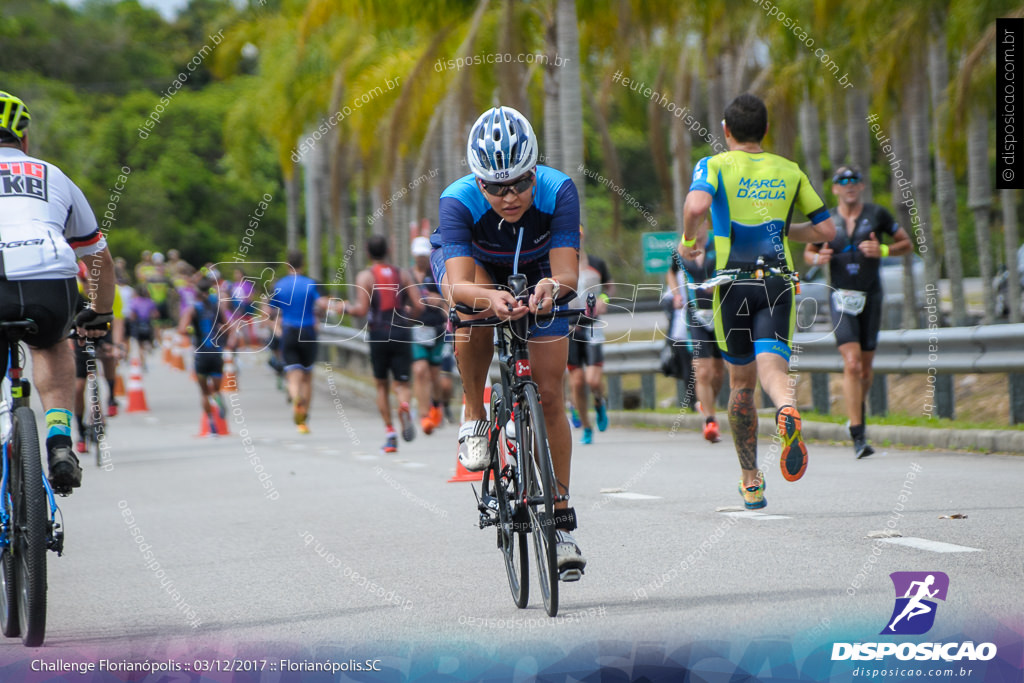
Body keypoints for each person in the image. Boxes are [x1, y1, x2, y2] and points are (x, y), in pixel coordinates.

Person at [430, 105, 585, 576]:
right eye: (496, 187)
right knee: (474, 310)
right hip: (474, 270)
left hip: (539, 269)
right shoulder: (457, 200)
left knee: (551, 394)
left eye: (520, 182)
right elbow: (457, 286)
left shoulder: (559, 191)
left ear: (535, 170)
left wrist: (550, 290)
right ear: (478, 182)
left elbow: (567, 275)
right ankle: (475, 414)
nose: (510, 195)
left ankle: (559, 520)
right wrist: (491, 299)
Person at [680, 93, 836, 510]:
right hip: (778, 283)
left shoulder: (714, 164)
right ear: (765, 130)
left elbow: (697, 204)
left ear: (726, 131)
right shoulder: (789, 170)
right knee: (773, 370)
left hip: (732, 285)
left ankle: (751, 481)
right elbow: (827, 231)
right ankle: (787, 408)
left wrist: (688, 238)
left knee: (741, 384)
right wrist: (785, 232)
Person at [0, 90, 115, 493]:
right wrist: (99, 314)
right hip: (48, 274)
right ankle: (60, 440)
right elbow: (98, 257)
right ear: (24, 139)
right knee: (51, 347)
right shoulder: (52, 174)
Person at [803, 166, 911, 459]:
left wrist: (884, 251)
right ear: (835, 188)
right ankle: (858, 433)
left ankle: (855, 414)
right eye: (843, 181)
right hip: (840, 299)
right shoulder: (827, 220)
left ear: (861, 186)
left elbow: (906, 243)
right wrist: (817, 256)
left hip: (871, 297)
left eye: (854, 180)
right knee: (851, 363)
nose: (849, 185)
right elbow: (809, 252)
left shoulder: (878, 214)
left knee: (864, 368)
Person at [345, 236, 422, 453]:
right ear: (388, 249)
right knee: (403, 384)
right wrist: (410, 319)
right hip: (401, 332)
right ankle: (404, 406)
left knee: (381, 385)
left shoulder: (366, 276)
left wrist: (342, 308)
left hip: (379, 333)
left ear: (368, 252)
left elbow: (361, 309)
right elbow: (418, 304)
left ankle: (390, 433)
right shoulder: (403, 274)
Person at [268, 250, 334, 433]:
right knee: (307, 376)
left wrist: (277, 327)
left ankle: (295, 399)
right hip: (308, 332)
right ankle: (304, 418)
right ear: (302, 264)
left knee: (293, 375)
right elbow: (322, 304)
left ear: (287, 264)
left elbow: (269, 312)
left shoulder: (279, 285)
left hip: (289, 331)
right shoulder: (311, 284)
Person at [671, 235, 726, 443]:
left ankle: (707, 402)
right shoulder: (681, 248)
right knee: (703, 371)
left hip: (721, 313)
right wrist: (677, 294)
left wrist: (719, 284)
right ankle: (710, 421)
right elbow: (672, 271)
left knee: (718, 372)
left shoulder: (718, 242)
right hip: (695, 315)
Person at [567, 231, 612, 445]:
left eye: (578, 235)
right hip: (570, 327)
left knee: (592, 379)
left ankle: (599, 402)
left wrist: (604, 299)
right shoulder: (560, 265)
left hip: (593, 325)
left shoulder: (596, 263)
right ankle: (586, 427)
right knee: (577, 382)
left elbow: (609, 288)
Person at [177, 275, 229, 434]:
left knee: (204, 392)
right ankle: (218, 397)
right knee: (216, 389)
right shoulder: (216, 307)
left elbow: (182, 329)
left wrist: (192, 331)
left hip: (201, 355)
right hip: (216, 352)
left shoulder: (193, 309)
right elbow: (227, 325)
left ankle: (211, 423)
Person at [410, 235, 450, 436]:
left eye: (424, 256)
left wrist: (440, 303)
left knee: (435, 375)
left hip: (436, 329)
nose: (421, 259)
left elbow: (446, 300)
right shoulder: (407, 276)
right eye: (418, 256)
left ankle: (436, 405)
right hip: (415, 329)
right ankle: (424, 415)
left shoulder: (435, 274)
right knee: (419, 370)